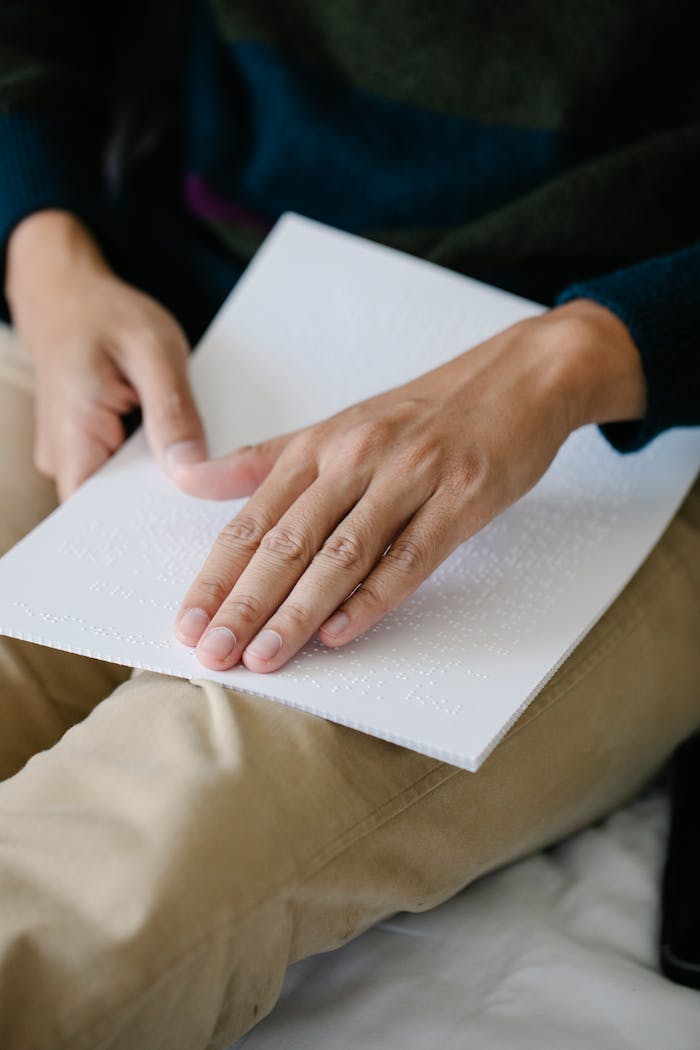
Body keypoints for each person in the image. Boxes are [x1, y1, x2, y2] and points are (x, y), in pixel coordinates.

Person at [0, 2, 698, 1047]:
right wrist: (45, 253)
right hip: (172, 322)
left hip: (622, 426)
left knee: (90, 892)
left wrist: (573, 361)